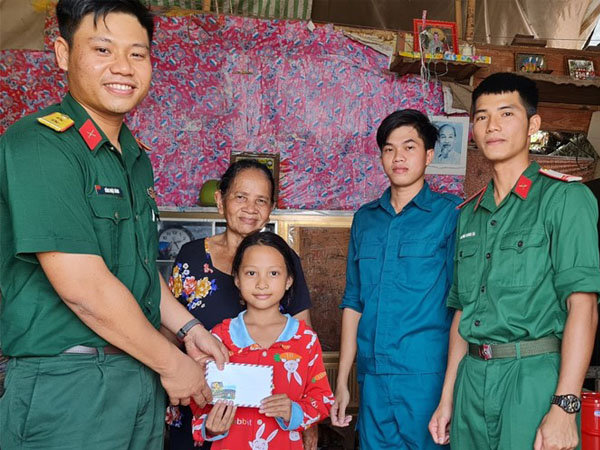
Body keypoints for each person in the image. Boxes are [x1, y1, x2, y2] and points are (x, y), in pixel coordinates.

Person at [0, 1, 228, 449]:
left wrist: (189, 329)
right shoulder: (40, 144)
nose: (123, 67)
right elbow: (84, 288)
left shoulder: (134, 157)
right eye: (103, 49)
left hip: (137, 372)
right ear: (63, 53)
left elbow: (137, 267)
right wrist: (173, 364)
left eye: (137, 53)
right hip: (69, 382)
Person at [428, 72, 600, 450]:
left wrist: (565, 406)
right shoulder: (469, 214)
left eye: (507, 113)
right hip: (472, 380)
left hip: (533, 378)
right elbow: (463, 313)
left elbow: (583, 308)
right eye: (482, 116)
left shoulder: (565, 200)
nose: (493, 126)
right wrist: (448, 398)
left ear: (533, 125)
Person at [330, 109, 461, 449]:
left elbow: (462, 304)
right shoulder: (365, 219)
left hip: (426, 376)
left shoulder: (451, 214)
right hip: (372, 376)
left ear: (429, 155)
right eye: (389, 149)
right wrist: (342, 380)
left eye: (409, 147)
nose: (398, 157)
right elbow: (353, 301)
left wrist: (449, 392)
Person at [166, 159, 313, 449]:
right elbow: (169, 331)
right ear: (220, 200)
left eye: (261, 200)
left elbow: (302, 340)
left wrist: (306, 418)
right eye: (241, 197)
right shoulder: (192, 257)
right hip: (201, 405)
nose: (250, 208)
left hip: (267, 418)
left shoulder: (284, 260)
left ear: (271, 208)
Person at [189, 231, 334, 449]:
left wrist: (294, 412)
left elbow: (322, 398)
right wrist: (210, 427)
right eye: (251, 273)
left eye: (273, 273)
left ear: (289, 280)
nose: (262, 283)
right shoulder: (218, 337)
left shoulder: (304, 339)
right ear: (237, 279)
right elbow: (199, 398)